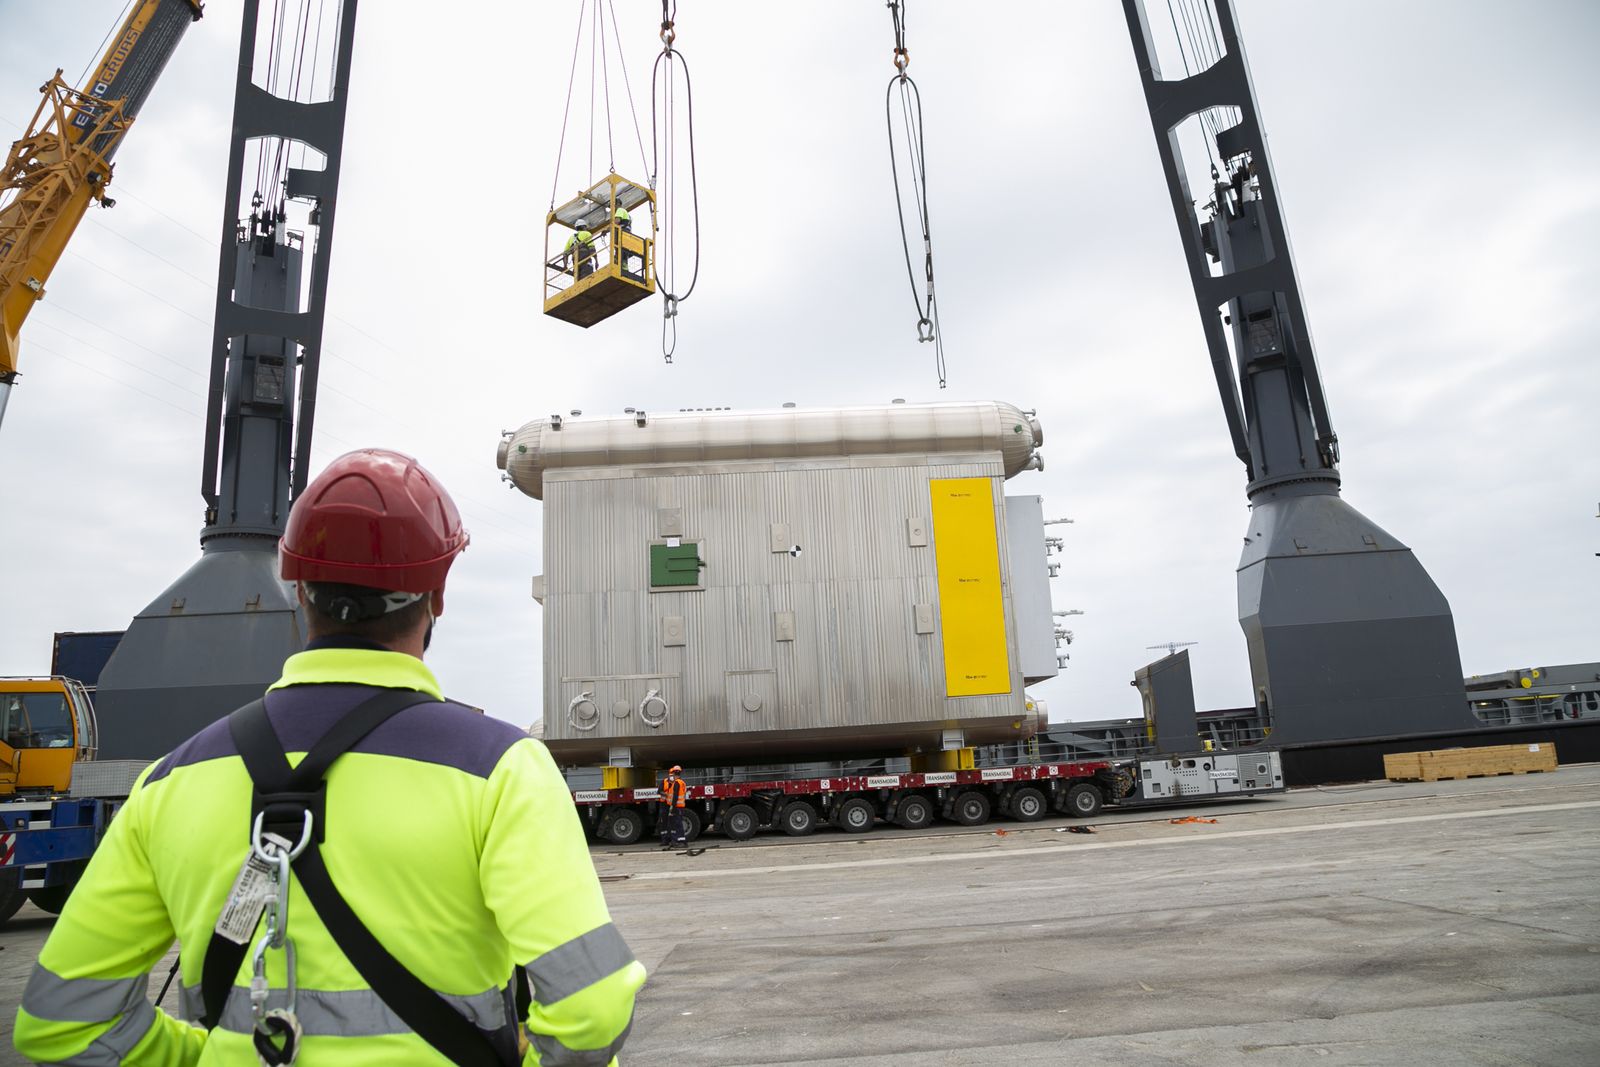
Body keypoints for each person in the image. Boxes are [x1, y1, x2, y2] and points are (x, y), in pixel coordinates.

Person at [14, 448, 645, 1067]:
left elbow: (59, 1023)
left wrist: (200, 1053)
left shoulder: (171, 782)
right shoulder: (502, 770)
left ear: (297, 590)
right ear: (439, 597)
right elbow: (590, 1011)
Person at [659, 765, 687, 848]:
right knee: (675, 824)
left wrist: (672, 807)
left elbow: (675, 796)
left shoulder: (677, 783)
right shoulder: (681, 782)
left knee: (678, 824)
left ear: (674, 774)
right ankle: (676, 840)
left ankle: (682, 841)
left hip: (677, 807)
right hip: (679, 806)